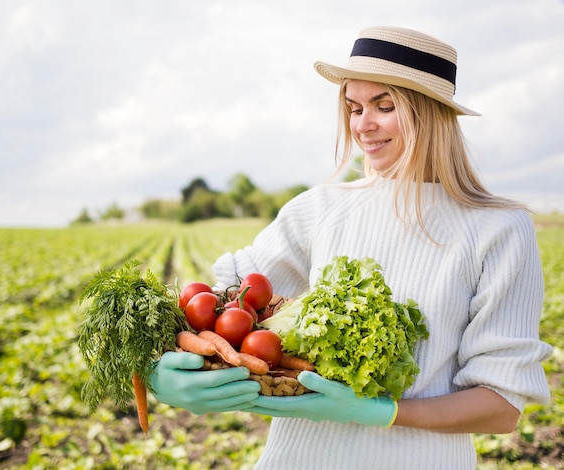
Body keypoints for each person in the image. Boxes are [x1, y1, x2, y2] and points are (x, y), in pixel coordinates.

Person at [149, 26, 553, 469]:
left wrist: (382, 413)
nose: (363, 124)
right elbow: (219, 302)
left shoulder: (498, 229)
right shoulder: (320, 209)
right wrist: (158, 366)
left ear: (432, 113)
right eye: (355, 108)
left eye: (385, 105)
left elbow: (501, 407)